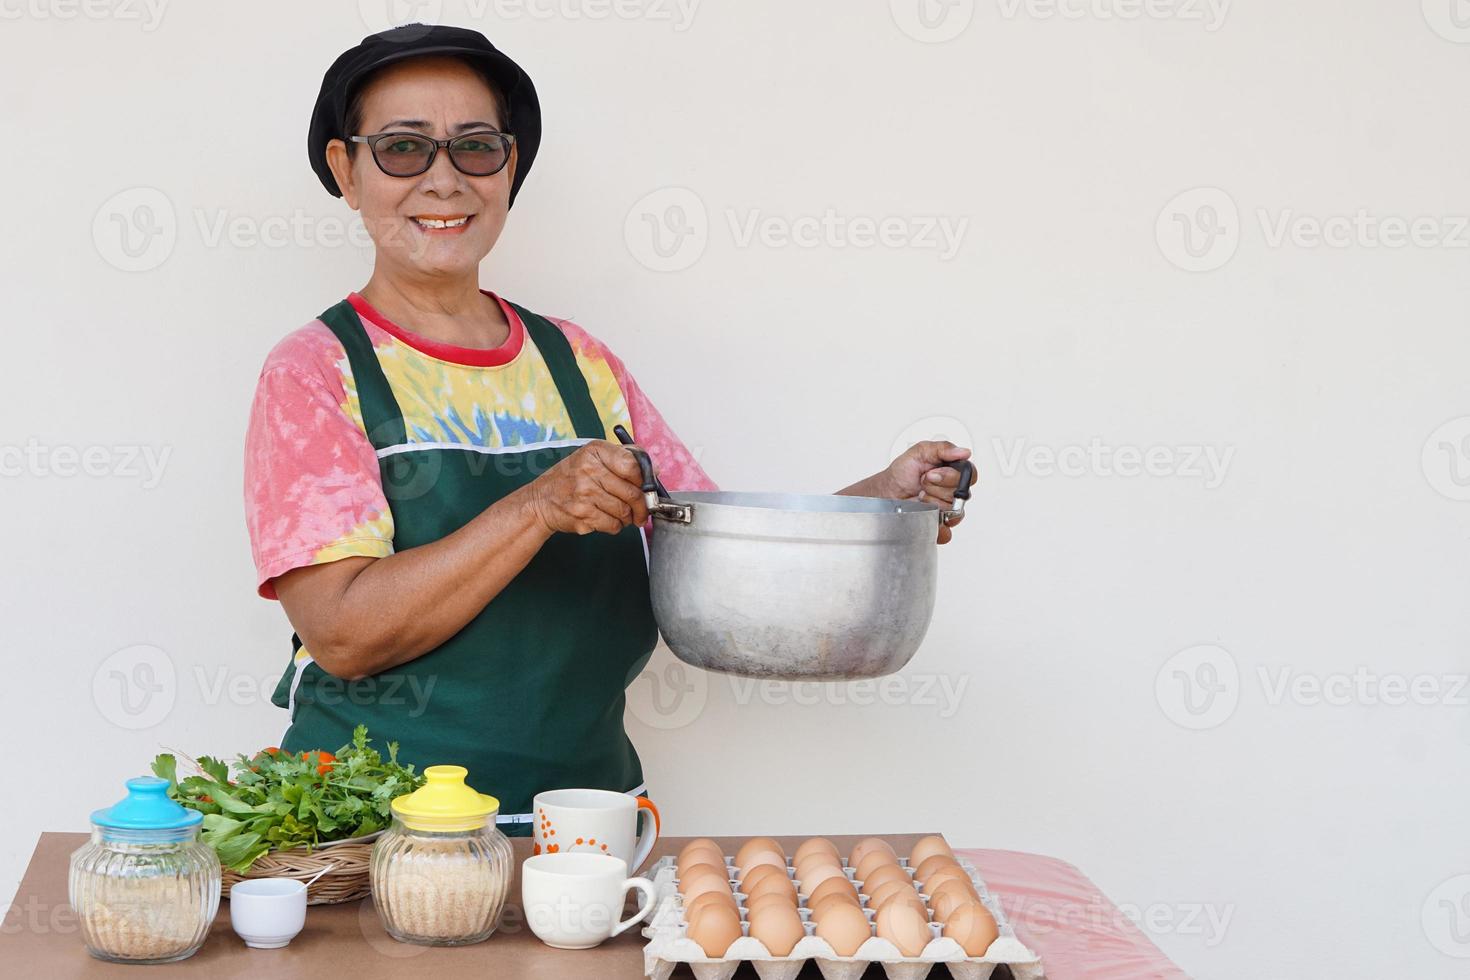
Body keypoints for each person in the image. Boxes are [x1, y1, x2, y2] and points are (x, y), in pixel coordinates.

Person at [243, 24, 975, 835]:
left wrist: (881, 505)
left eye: (476, 147)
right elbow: (342, 634)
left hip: (586, 828)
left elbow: (714, 555)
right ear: (347, 171)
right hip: (383, 830)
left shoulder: (577, 362)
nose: (444, 180)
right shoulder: (317, 370)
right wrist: (536, 508)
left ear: (509, 167)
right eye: (403, 149)